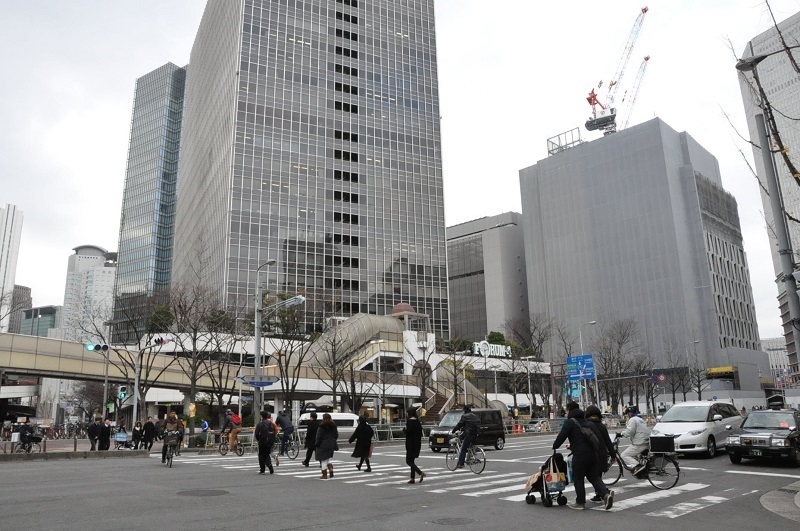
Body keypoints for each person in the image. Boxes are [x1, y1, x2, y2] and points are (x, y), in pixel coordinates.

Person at [553, 401, 614, 511]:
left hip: (580, 455)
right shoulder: (588, 422)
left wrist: (555, 446)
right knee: (594, 477)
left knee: (578, 478)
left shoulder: (570, 422)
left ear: (569, 410)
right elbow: (597, 439)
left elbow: (561, 436)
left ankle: (580, 502)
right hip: (593, 454)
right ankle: (605, 495)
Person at [584, 405, 616, 503]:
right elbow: (608, 442)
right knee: (598, 475)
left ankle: (604, 492)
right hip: (602, 453)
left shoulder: (587, 425)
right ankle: (599, 494)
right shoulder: (602, 426)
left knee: (593, 476)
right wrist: (613, 454)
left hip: (592, 453)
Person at [617, 406, 649, 475]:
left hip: (639, 443)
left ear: (630, 413)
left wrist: (621, 434)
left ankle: (638, 467)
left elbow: (630, 431)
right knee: (633, 455)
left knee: (624, 455)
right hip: (645, 442)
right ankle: (640, 470)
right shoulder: (640, 419)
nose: (627, 415)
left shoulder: (632, 420)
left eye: (628, 413)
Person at [404, 406, 425, 484]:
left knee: (408, 461)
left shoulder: (409, 422)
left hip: (410, 444)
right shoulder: (417, 422)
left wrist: (404, 430)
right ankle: (412, 478)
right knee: (412, 461)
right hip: (417, 443)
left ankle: (420, 473)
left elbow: (408, 432)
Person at [315, 412, 338, 479]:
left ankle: (324, 475)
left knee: (323, 460)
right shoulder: (333, 425)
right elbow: (336, 435)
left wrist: (317, 444)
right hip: (331, 443)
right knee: (327, 458)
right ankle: (330, 469)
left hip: (323, 444)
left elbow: (318, 436)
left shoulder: (321, 426)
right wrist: (333, 440)